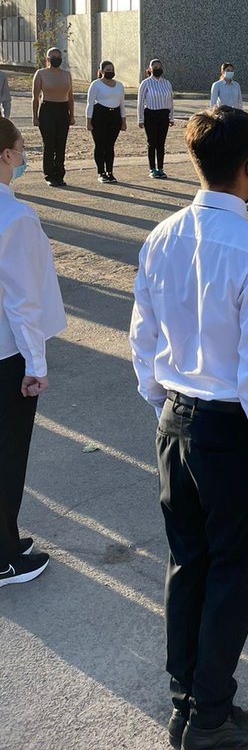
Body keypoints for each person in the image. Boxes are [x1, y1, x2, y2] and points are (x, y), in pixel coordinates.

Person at [129, 107, 248, 750]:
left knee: (187, 564)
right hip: (229, 430)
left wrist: (164, 409)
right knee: (231, 573)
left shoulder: (161, 236)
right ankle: (210, 718)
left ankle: (186, 703)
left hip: (175, 420)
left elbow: (142, 341)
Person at [0, 117, 66, 589]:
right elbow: (22, 301)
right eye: (22, 148)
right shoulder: (15, 217)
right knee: (7, 456)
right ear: (5, 155)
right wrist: (36, 365)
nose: (25, 156)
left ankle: (7, 537)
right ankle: (4, 558)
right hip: (7, 356)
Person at [32, 47, 74, 187]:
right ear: (48, 59)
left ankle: (60, 175)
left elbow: (70, 97)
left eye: (58, 57)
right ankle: (49, 175)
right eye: (53, 57)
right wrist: (35, 117)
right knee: (49, 144)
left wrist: (72, 115)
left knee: (61, 144)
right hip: (47, 110)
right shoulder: (41, 73)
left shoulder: (66, 74)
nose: (56, 59)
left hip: (63, 110)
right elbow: (35, 97)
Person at [86, 61, 127, 183]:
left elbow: (122, 104)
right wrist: (88, 121)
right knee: (100, 145)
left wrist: (123, 121)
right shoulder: (96, 84)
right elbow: (90, 104)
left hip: (115, 116)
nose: (110, 72)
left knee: (110, 145)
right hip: (99, 116)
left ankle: (110, 171)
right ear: (101, 71)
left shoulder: (119, 85)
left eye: (112, 70)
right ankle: (101, 172)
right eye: (108, 70)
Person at [137, 59, 175, 180]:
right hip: (150, 115)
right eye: (155, 67)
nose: (158, 69)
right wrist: (140, 119)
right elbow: (140, 102)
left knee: (161, 143)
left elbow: (170, 101)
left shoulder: (167, 83)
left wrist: (171, 117)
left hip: (163, 115)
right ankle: (152, 168)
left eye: (159, 67)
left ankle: (161, 168)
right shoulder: (146, 83)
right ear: (150, 69)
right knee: (152, 142)